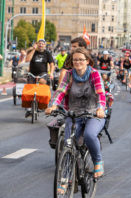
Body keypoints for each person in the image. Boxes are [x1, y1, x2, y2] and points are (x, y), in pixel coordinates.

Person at [45, 47, 106, 179]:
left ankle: (97, 161)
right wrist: (53, 105)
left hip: (93, 113)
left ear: (87, 61)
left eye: (81, 60)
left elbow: (101, 93)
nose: (78, 62)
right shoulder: (69, 74)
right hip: (74, 114)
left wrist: (100, 109)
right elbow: (61, 91)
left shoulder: (94, 74)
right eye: (75, 60)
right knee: (68, 143)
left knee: (89, 135)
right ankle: (65, 178)